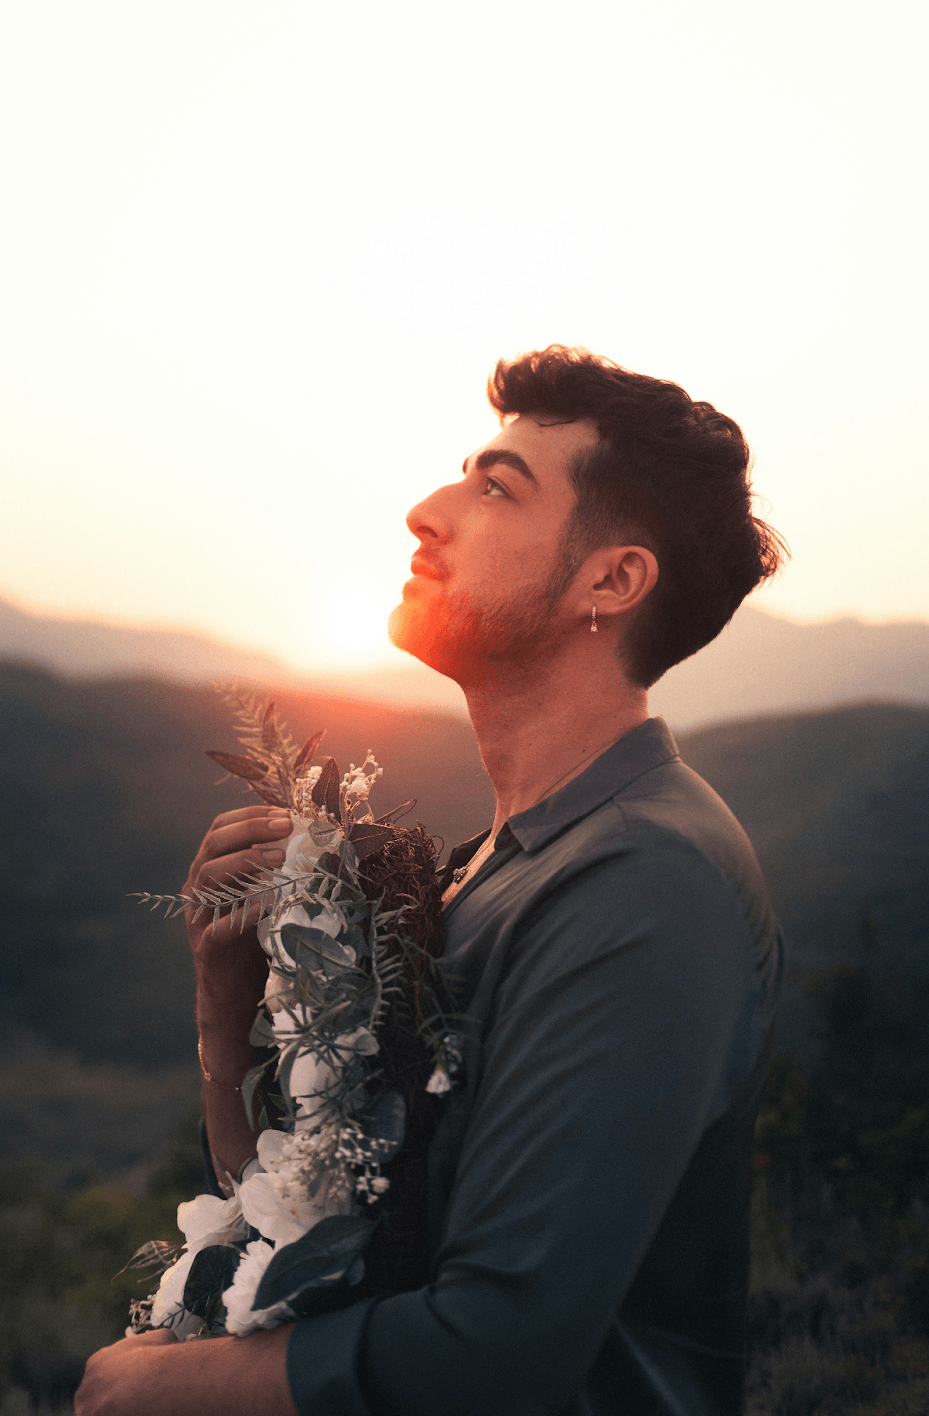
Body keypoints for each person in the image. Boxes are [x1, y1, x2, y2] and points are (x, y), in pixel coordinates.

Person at [76, 347, 786, 1416]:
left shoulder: (644, 880)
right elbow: (334, 1234)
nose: (425, 509)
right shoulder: (486, 862)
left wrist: (155, 1390)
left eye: (497, 486)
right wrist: (224, 1021)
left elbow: (493, 1353)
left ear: (611, 580)